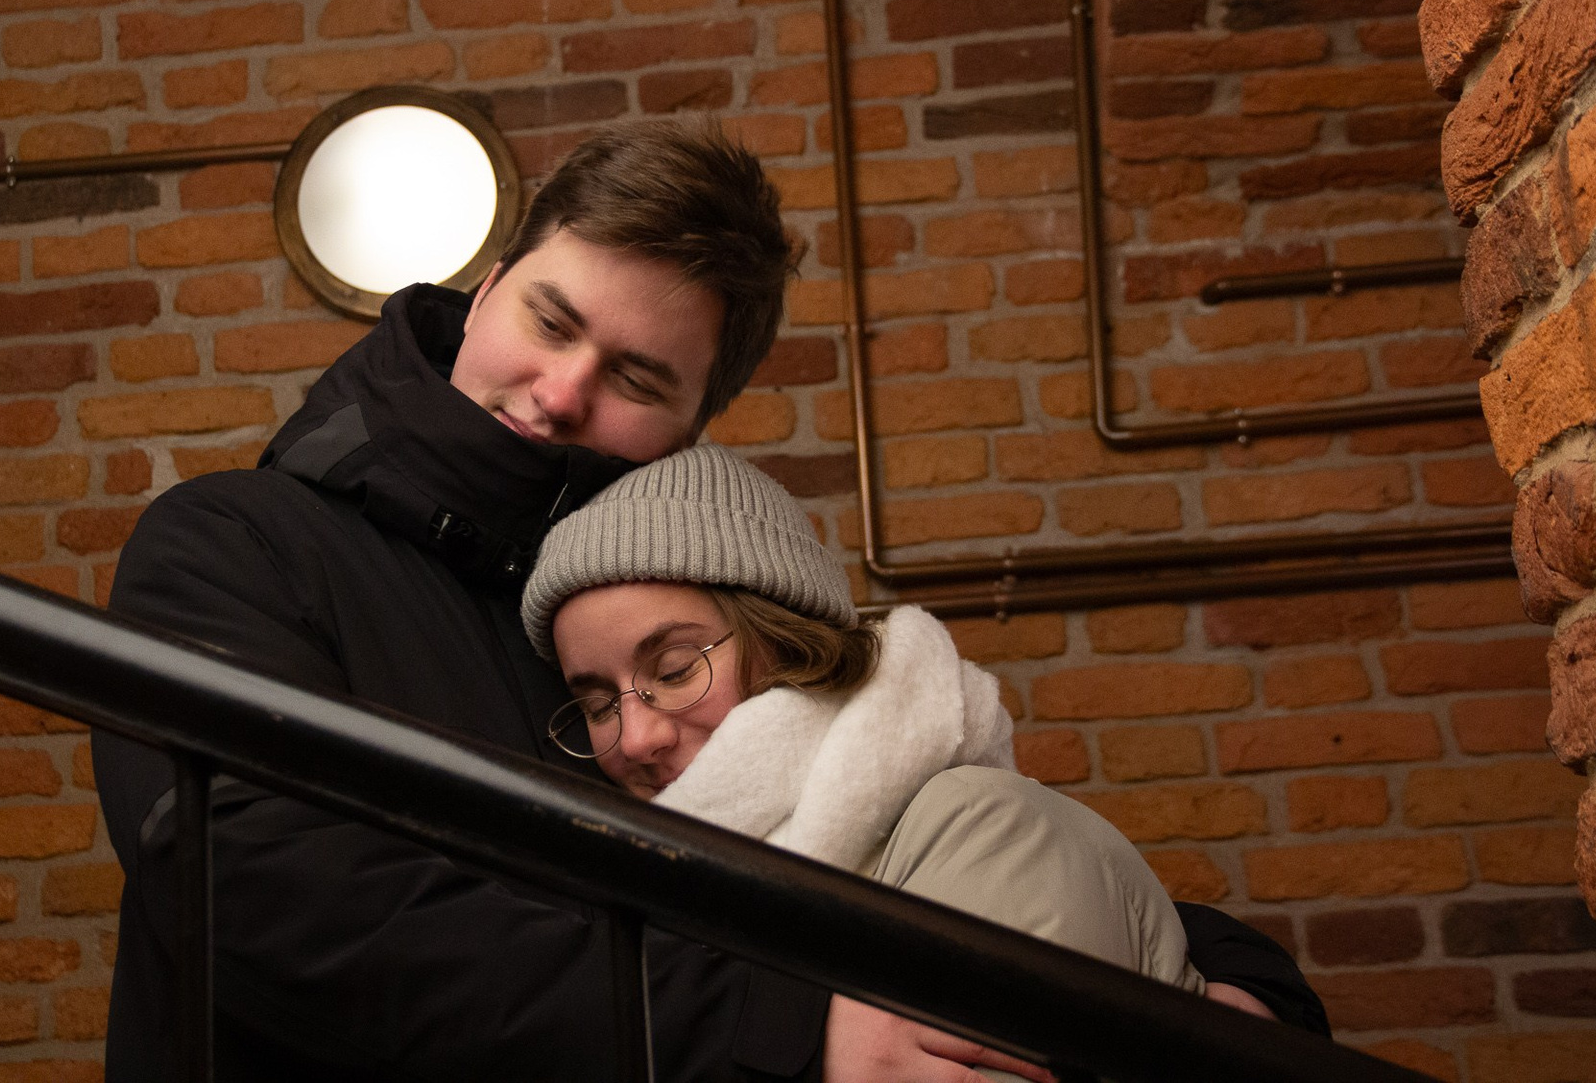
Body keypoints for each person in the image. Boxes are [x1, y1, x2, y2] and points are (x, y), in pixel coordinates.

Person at [94, 118, 1320, 1081]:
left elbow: (885, 805)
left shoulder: (664, 594)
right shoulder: (234, 545)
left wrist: (1214, 977)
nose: (562, 391)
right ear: (492, 282)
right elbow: (271, 899)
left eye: (636, 376)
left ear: (689, 426)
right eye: (550, 319)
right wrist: (778, 1029)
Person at [520, 444, 1223, 1082]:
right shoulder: (648, 896)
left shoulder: (986, 829)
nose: (635, 739)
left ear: (784, 638)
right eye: (598, 704)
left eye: (675, 669)